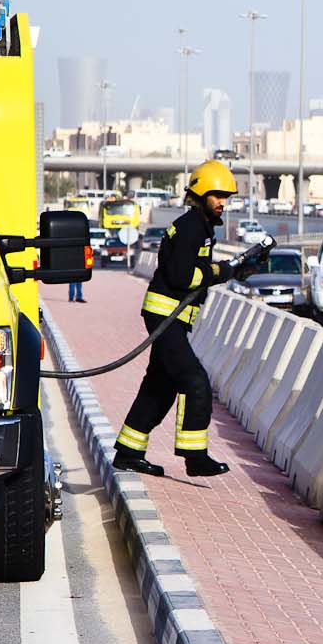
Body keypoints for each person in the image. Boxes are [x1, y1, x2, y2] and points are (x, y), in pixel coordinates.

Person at [111, 160, 263, 479]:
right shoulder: (193, 226)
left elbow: (195, 272)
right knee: (194, 381)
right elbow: (182, 276)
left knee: (159, 387)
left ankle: (128, 452)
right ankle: (195, 457)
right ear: (201, 194)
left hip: (172, 317)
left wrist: (233, 270)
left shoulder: (200, 227)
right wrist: (220, 272)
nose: (223, 203)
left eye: (226, 197)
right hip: (166, 315)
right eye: (217, 196)